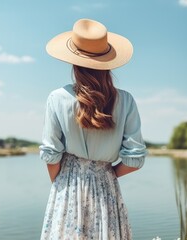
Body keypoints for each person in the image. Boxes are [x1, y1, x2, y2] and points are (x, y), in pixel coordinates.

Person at [39, 18, 147, 239]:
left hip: (67, 186)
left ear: (74, 62)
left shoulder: (58, 98)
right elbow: (135, 159)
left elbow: (51, 156)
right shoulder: (125, 100)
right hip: (106, 187)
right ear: (107, 63)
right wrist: (106, 174)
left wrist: (63, 185)